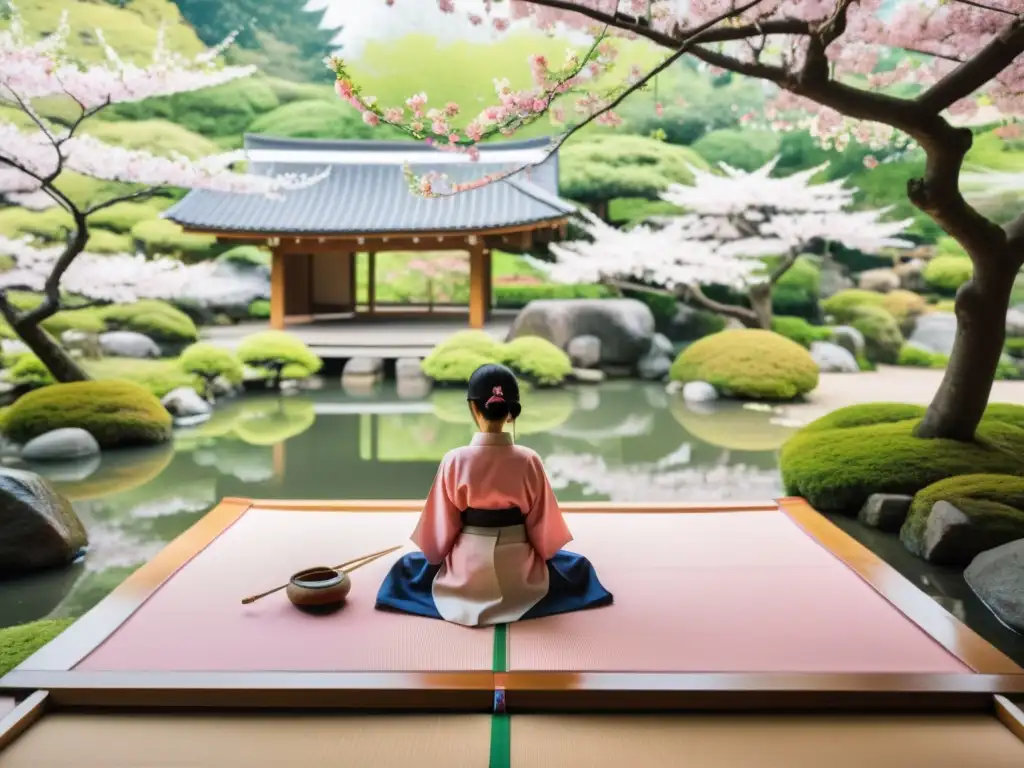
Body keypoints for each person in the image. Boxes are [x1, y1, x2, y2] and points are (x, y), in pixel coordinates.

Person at [376, 363, 612, 627]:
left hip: (467, 569)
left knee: (406, 568)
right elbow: (543, 531)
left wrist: (436, 555)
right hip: (519, 571)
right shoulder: (528, 460)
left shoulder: (455, 460)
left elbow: (441, 531)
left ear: (473, 408)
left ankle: (462, 595)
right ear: (511, 413)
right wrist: (544, 554)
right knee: (577, 568)